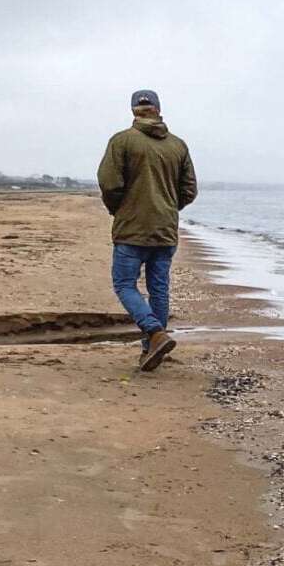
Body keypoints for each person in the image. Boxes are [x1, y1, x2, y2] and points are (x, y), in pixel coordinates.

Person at [97, 88, 198, 371]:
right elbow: (189, 190)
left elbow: (109, 184)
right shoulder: (177, 145)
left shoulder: (122, 141)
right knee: (158, 290)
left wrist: (120, 208)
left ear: (134, 111)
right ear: (157, 109)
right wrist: (166, 208)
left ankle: (154, 334)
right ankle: (151, 349)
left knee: (124, 284)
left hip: (132, 229)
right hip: (164, 229)